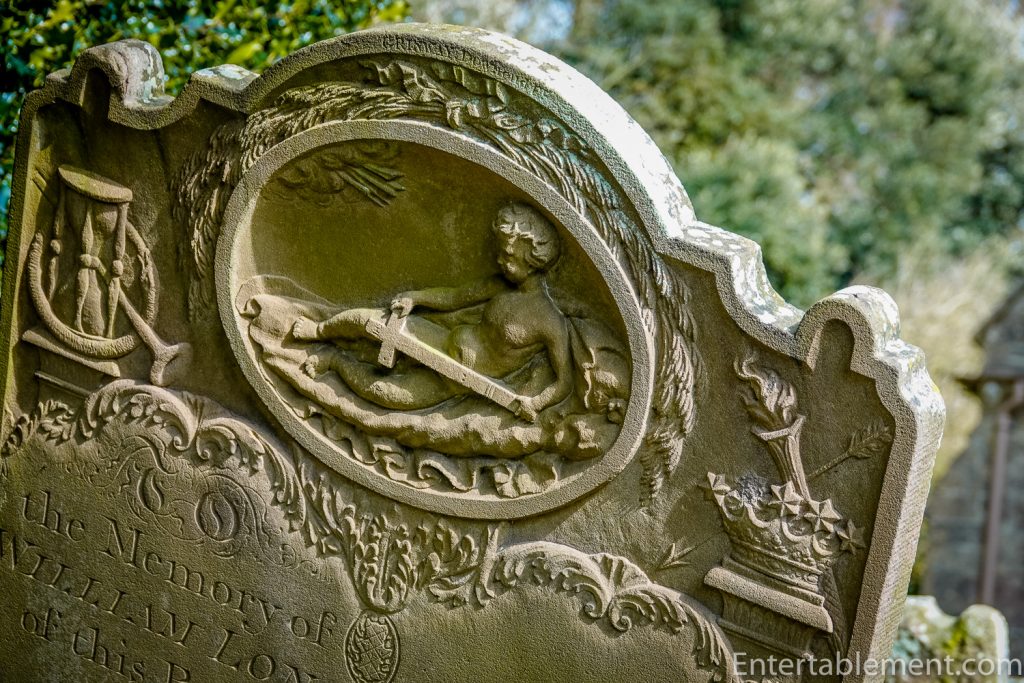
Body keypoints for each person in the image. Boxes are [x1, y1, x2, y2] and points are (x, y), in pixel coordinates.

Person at [290, 202, 574, 422]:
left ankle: (334, 361)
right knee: (366, 321)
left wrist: (535, 403)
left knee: (384, 393)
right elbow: (455, 297)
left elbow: (563, 382)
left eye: (508, 256)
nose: (499, 261)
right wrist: (415, 299)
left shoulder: (550, 321)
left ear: (533, 260)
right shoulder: (500, 286)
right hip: (442, 340)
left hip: (452, 381)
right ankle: (320, 330)